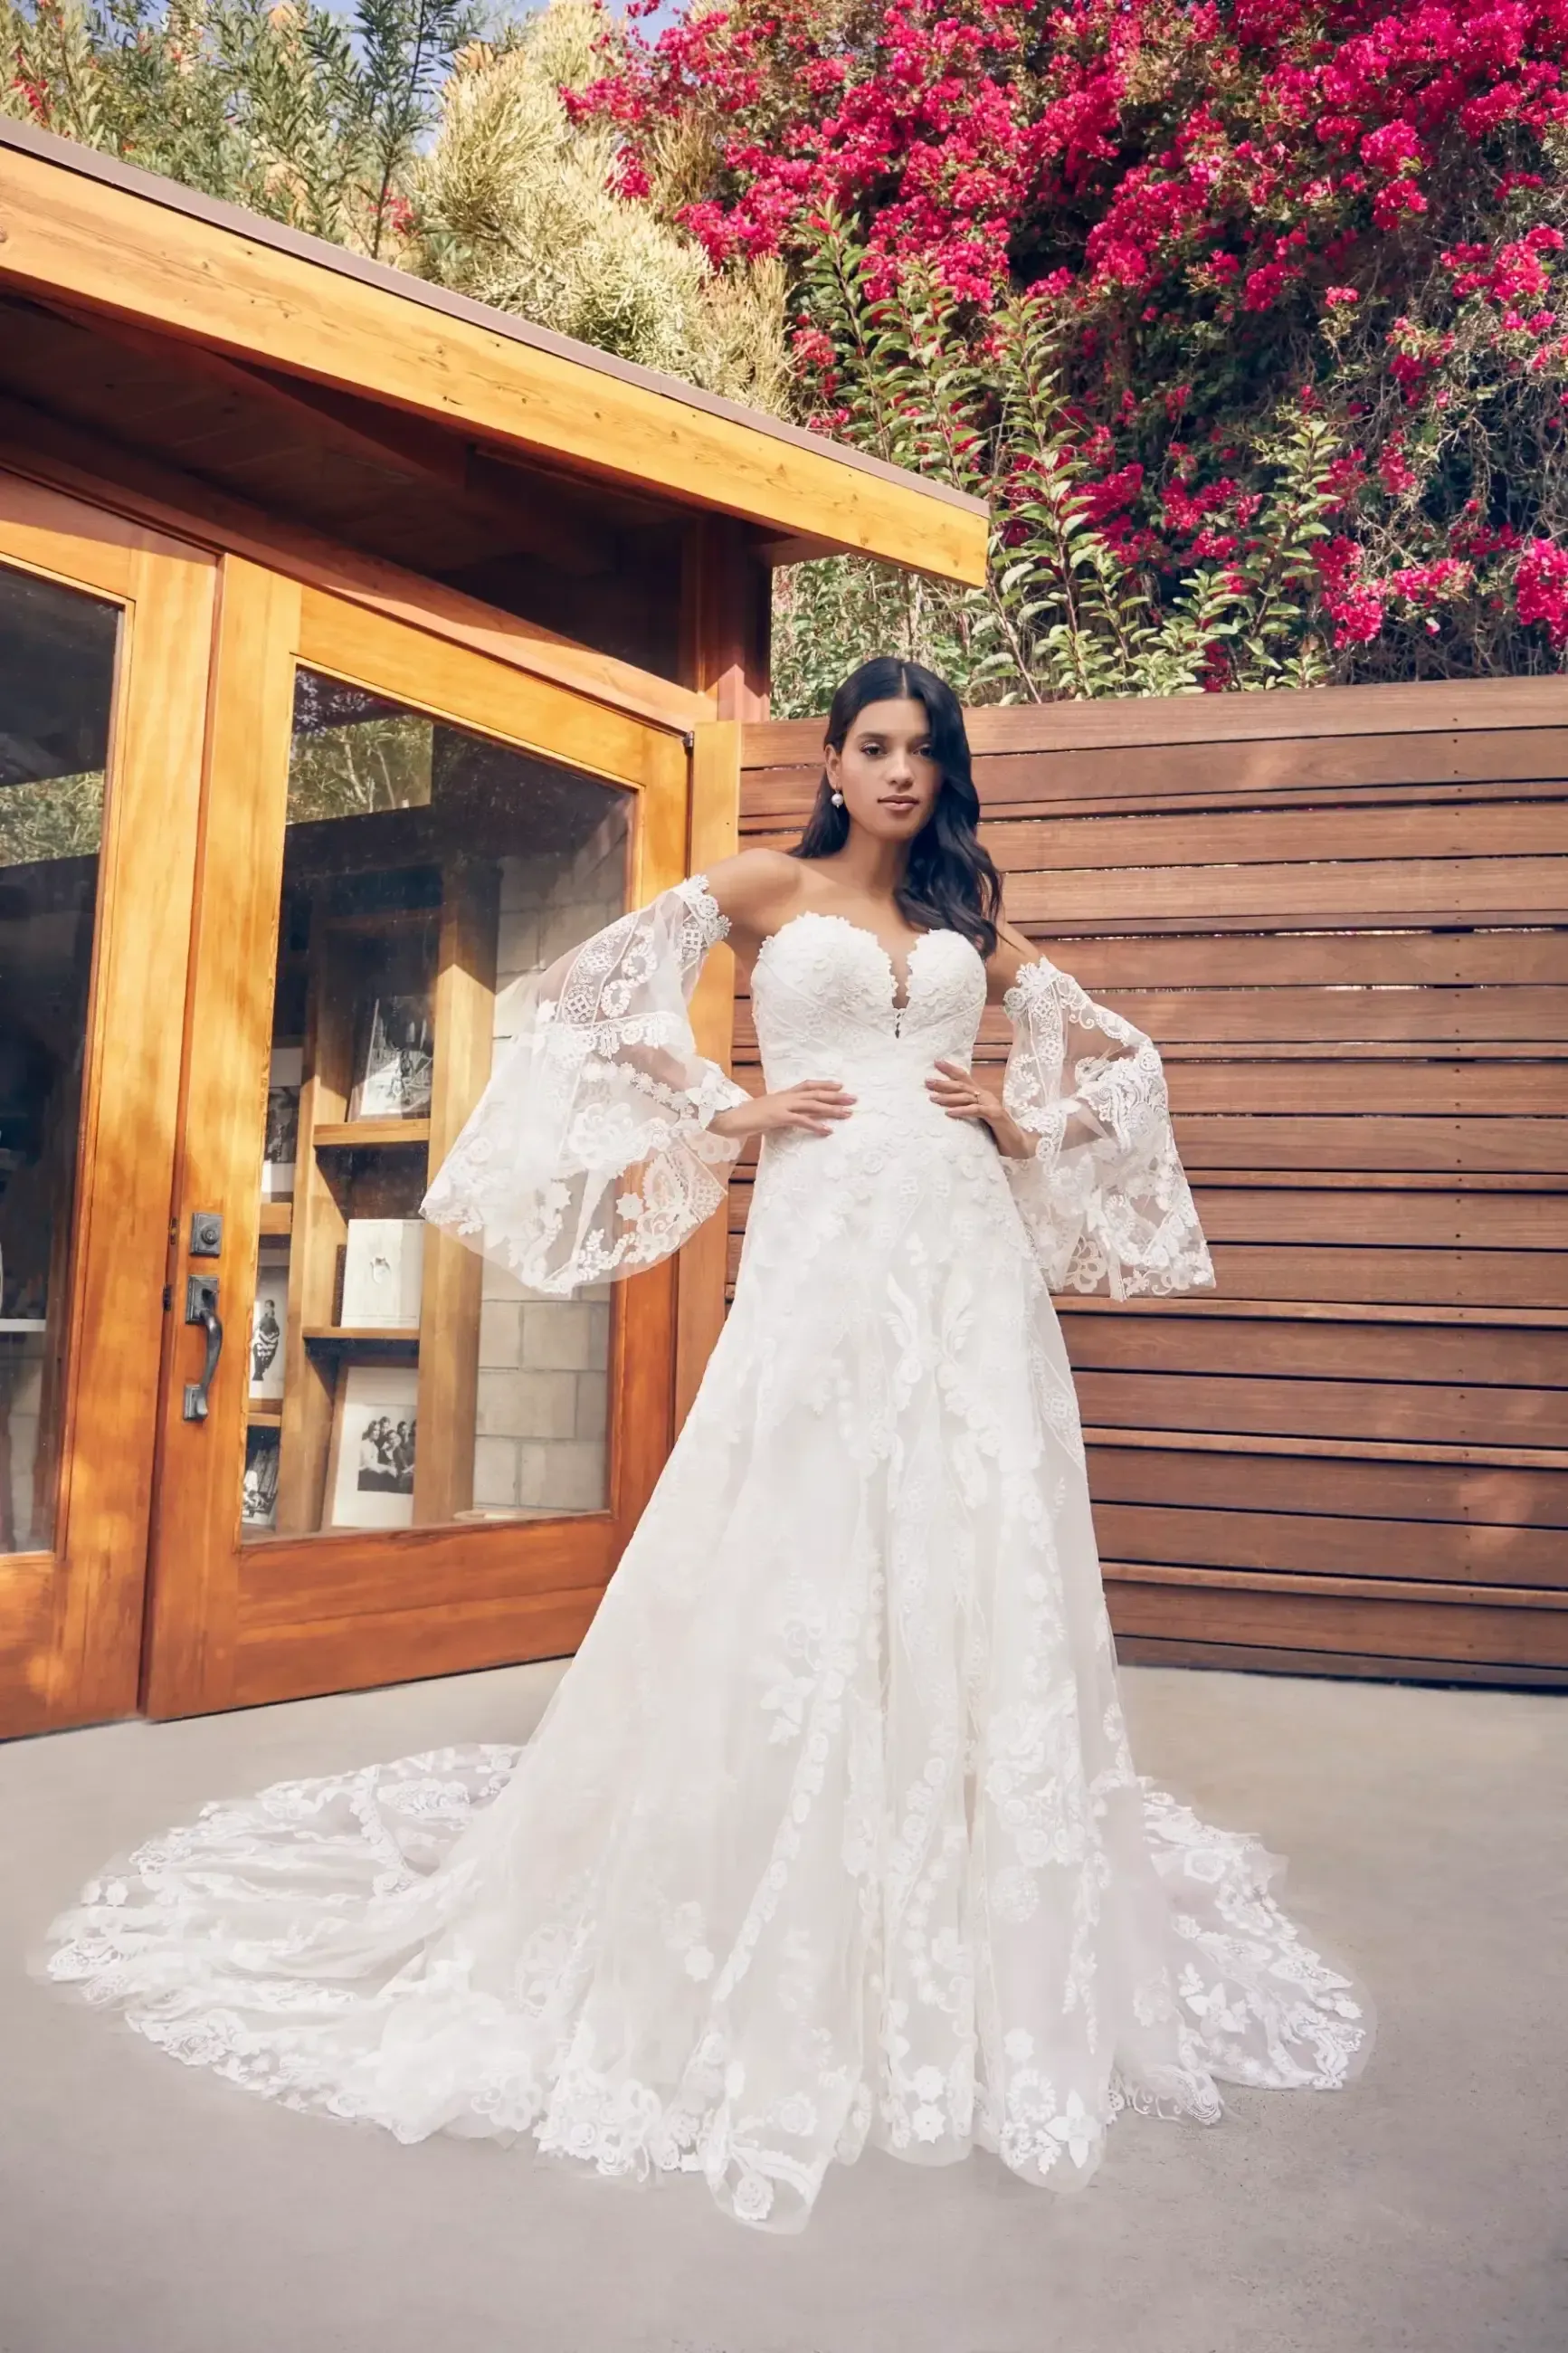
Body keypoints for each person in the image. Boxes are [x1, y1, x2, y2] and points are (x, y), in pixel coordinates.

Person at [43, 659, 1369, 2234]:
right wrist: (724, 1110)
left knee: (970, 1525)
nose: (900, 775)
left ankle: (951, 1861)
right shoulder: (765, 884)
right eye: (876, 748)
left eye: (925, 754)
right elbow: (581, 1001)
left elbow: (1123, 1060)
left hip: (959, 1262)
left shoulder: (961, 922)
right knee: (798, 1528)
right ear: (829, 759)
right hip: (818, 1257)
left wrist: (1021, 1120)